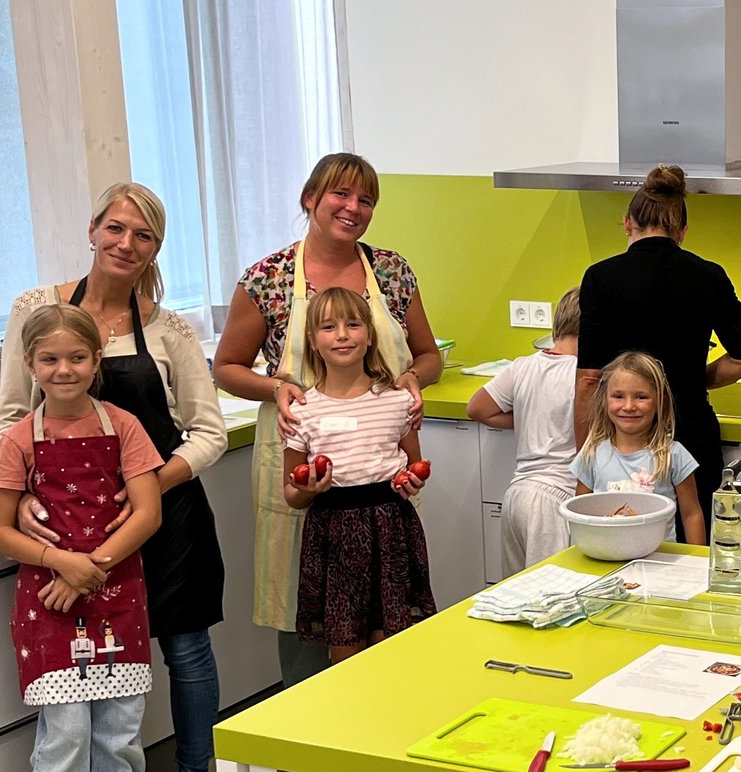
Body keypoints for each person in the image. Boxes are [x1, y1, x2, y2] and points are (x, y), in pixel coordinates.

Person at [0, 182, 226, 772]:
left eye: (144, 235)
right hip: (67, 526)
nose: (127, 243)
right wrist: (26, 494)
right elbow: (12, 415)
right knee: (98, 667)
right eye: (116, 228)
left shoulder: (170, 328)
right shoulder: (36, 310)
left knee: (184, 651)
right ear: (93, 229)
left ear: (156, 248)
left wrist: (150, 482)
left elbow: (207, 433)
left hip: (167, 515)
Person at [213, 153, 441, 684]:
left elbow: (428, 356)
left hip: (381, 478)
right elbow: (226, 368)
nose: (353, 208)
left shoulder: (390, 271)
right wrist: (280, 388)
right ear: (310, 199)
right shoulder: (267, 278)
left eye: (366, 200)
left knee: (389, 613)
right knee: (306, 603)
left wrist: (413, 381)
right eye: (341, 194)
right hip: (302, 455)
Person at [0, 304, 173, 772]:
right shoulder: (19, 439)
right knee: (63, 740)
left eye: (77, 357)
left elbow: (147, 513)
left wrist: (86, 567)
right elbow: (0, 531)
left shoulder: (123, 427)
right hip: (49, 605)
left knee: (119, 737)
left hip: (118, 599)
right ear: (30, 365)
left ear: (96, 362)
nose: (64, 369)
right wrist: (58, 562)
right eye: (49, 359)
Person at [575, 164, 741, 532]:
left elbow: (589, 379)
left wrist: (589, 451)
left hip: (623, 441)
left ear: (628, 223)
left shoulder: (600, 277)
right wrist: (692, 380)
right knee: (695, 542)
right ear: (683, 232)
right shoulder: (709, 275)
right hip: (691, 435)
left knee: (618, 544)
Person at [281, 288, 436, 663]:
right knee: (345, 647)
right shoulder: (301, 410)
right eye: (329, 327)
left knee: (394, 643)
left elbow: (413, 464)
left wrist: (412, 481)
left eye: (353, 324)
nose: (342, 335)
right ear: (313, 342)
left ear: (369, 336)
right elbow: (290, 490)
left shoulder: (397, 400)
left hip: (392, 526)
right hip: (333, 531)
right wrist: (308, 490)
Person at [467, 287, 580, 572]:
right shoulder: (587, 376)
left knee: (517, 596)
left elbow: (478, 409)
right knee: (552, 597)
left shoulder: (523, 366)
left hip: (517, 496)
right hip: (556, 499)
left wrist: (530, 417)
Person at [572, 351, 707, 544]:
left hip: (660, 563)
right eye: (618, 396)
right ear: (605, 399)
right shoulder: (591, 454)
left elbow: (692, 514)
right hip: (605, 561)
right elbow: (580, 513)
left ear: (659, 401)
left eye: (641, 397)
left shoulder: (674, 455)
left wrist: (697, 563)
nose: (628, 406)